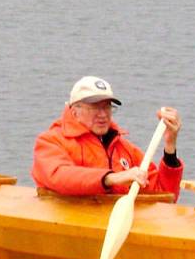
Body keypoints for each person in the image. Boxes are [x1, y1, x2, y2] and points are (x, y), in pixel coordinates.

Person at [32, 76, 184, 200]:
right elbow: (59, 176)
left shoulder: (124, 148)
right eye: (95, 107)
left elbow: (166, 197)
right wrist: (111, 178)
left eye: (106, 107)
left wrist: (170, 147)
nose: (103, 114)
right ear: (74, 111)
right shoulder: (50, 141)